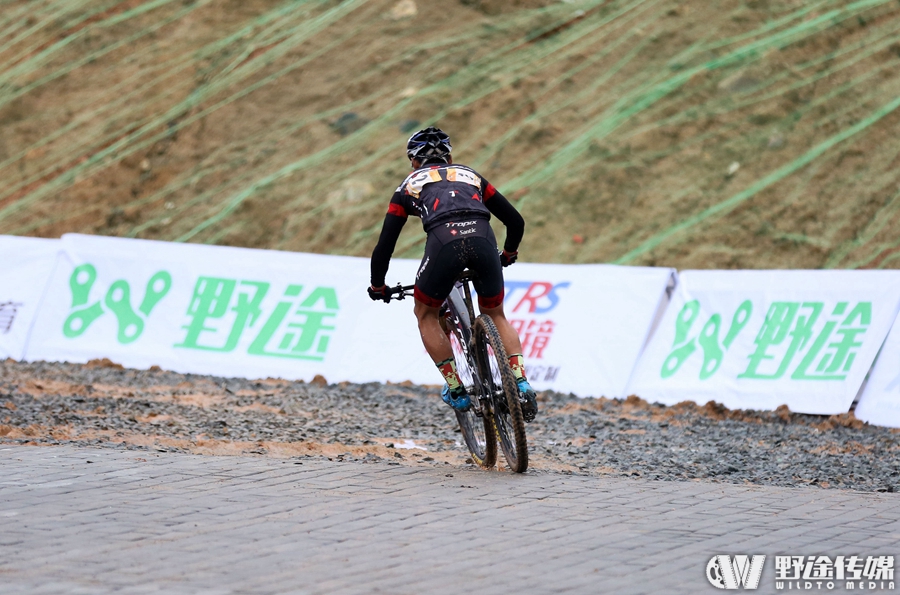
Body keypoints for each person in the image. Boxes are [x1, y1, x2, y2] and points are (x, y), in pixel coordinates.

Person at [368, 127, 538, 422]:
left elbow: (385, 246)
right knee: (496, 315)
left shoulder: (407, 186)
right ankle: (521, 382)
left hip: (444, 243)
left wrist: (378, 284)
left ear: (413, 160)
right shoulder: (470, 175)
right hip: (484, 239)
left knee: (426, 313)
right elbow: (515, 220)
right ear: (449, 156)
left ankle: (456, 388)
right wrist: (508, 253)